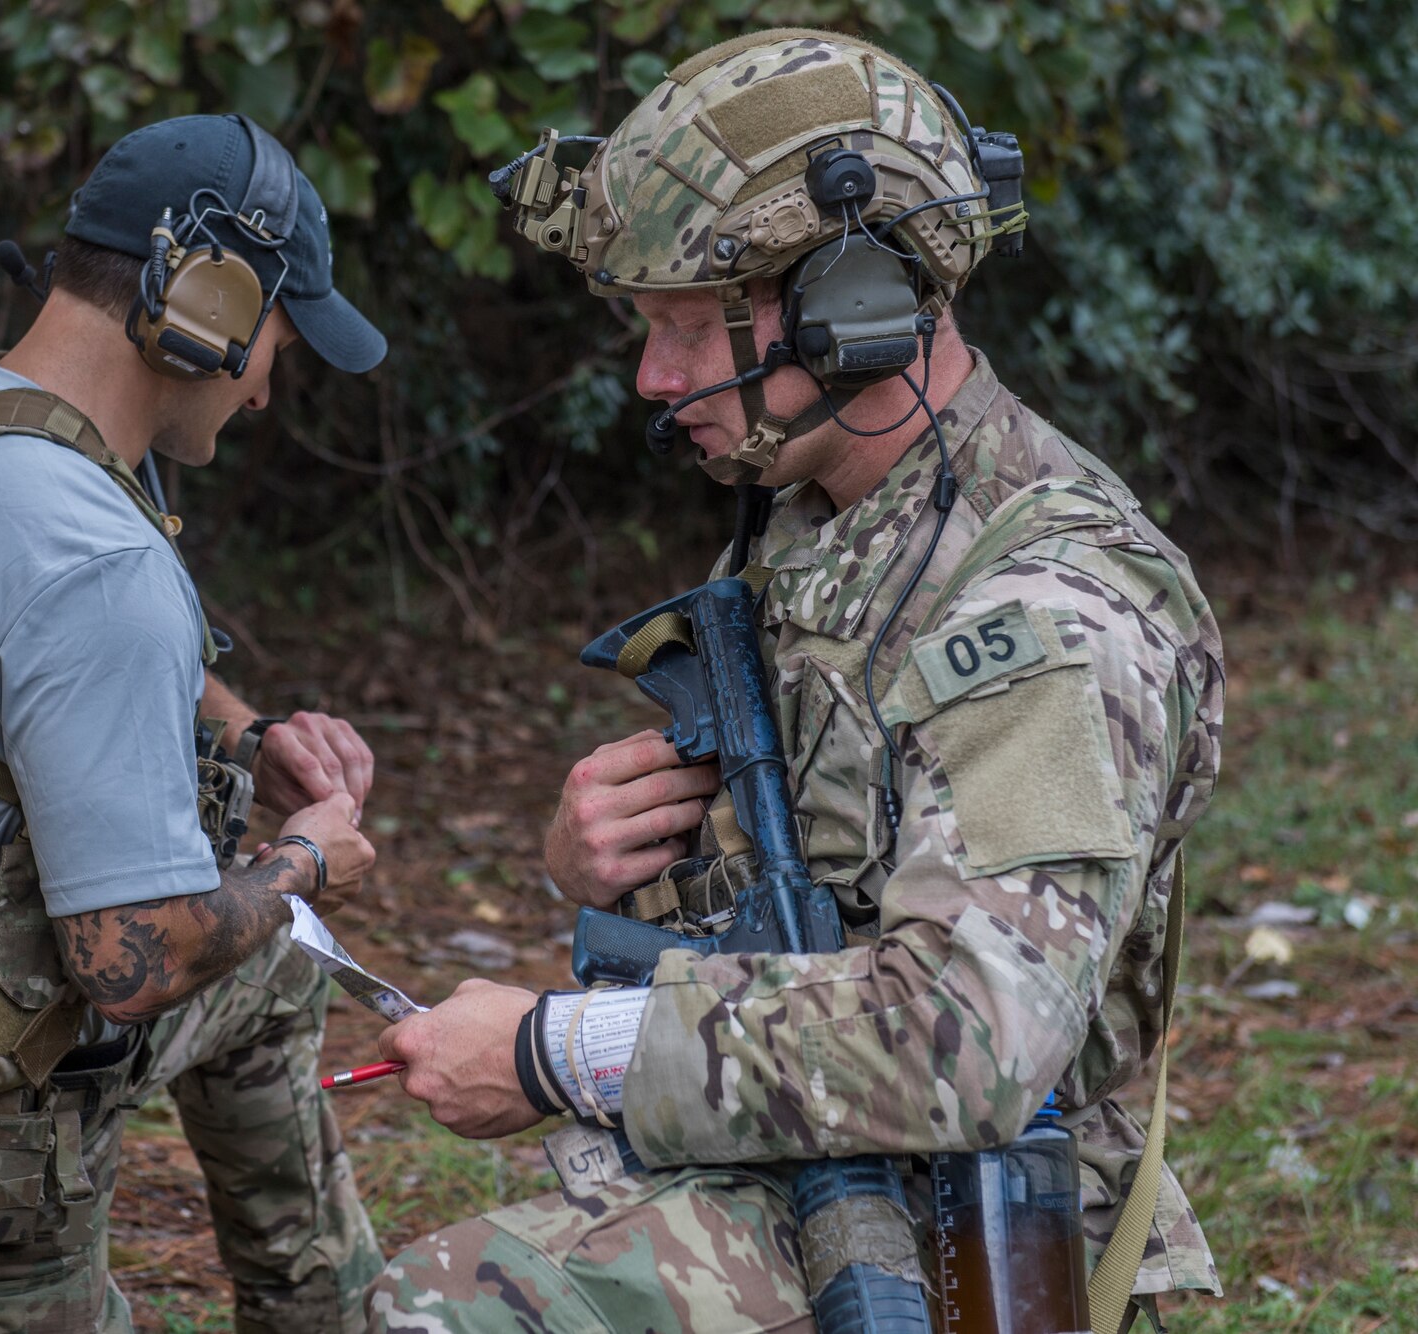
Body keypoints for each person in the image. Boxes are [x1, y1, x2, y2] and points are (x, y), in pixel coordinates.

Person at [369, 29, 1224, 1333]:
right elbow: (821, 898)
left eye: (677, 328)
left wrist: (562, 1050)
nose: (652, 380)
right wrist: (613, 859)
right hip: (817, 1154)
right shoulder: (825, 523)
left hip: (987, 1230)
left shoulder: (1048, 612)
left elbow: (967, 1039)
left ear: (853, 306)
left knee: (449, 1311)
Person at [0, 114, 385, 1332]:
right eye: (273, 338)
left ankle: (324, 1311)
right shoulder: (98, 561)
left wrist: (235, 728)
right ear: (208, 301)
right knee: (270, 920)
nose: (267, 387)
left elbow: (13, 651)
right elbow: (132, 962)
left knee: (266, 972)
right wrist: (309, 858)